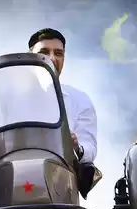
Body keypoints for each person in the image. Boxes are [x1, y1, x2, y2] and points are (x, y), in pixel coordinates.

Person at [28, 27, 101, 197]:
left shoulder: (80, 100)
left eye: (58, 53)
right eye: (44, 52)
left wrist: (76, 146)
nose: (52, 58)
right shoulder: (9, 97)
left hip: (61, 183)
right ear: (29, 57)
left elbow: (89, 150)